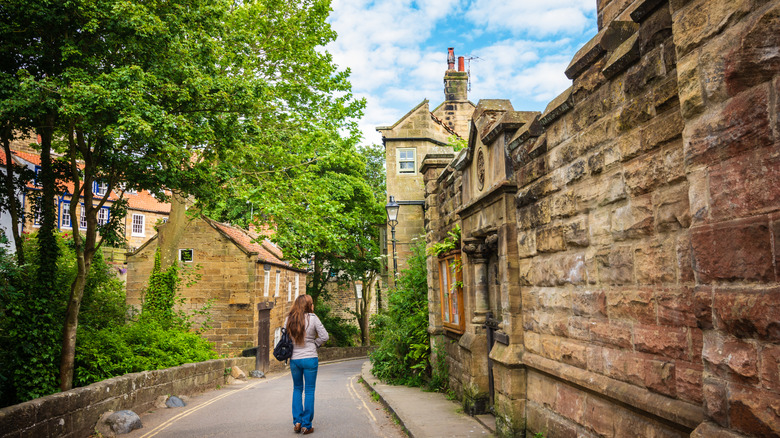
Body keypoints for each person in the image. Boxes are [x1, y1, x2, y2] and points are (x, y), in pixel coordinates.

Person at [285, 294, 329, 435]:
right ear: (309, 305)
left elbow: (284, 339)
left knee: (297, 389)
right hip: (310, 358)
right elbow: (325, 336)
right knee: (309, 390)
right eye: (312, 303)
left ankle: (297, 422)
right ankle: (307, 425)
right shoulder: (313, 318)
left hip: (295, 359)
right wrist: (314, 344)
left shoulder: (289, 319)